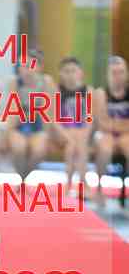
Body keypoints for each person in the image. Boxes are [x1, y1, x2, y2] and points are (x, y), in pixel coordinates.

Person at [5, 51, 55, 180]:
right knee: (18, 148)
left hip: (37, 124)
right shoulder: (14, 82)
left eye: (29, 66)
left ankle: (24, 177)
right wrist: (7, 135)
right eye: (22, 66)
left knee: (38, 150)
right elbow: (13, 112)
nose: (25, 71)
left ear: (39, 67)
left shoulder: (46, 82)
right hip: (19, 124)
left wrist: (48, 136)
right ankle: (21, 178)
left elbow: (47, 114)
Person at [49, 57, 92, 195]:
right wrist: (67, 135)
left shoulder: (88, 90)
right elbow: (54, 120)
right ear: (60, 74)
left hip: (81, 133)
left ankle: (79, 182)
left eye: (73, 71)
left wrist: (84, 134)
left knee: (77, 146)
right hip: (62, 133)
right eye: (66, 71)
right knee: (72, 143)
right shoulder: (56, 91)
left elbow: (89, 119)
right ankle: (72, 183)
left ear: (81, 73)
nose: (70, 74)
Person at [94, 55, 129, 206]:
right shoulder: (101, 93)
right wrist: (122, 124)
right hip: (106, 134)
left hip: (125, 135)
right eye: (114, 73)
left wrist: (114, 124)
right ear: (108, 75)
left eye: (121, 72)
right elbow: (102, 123)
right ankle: (99, 188)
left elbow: (108, 121)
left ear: (126, 74)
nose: (117, 76)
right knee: (105, 147)